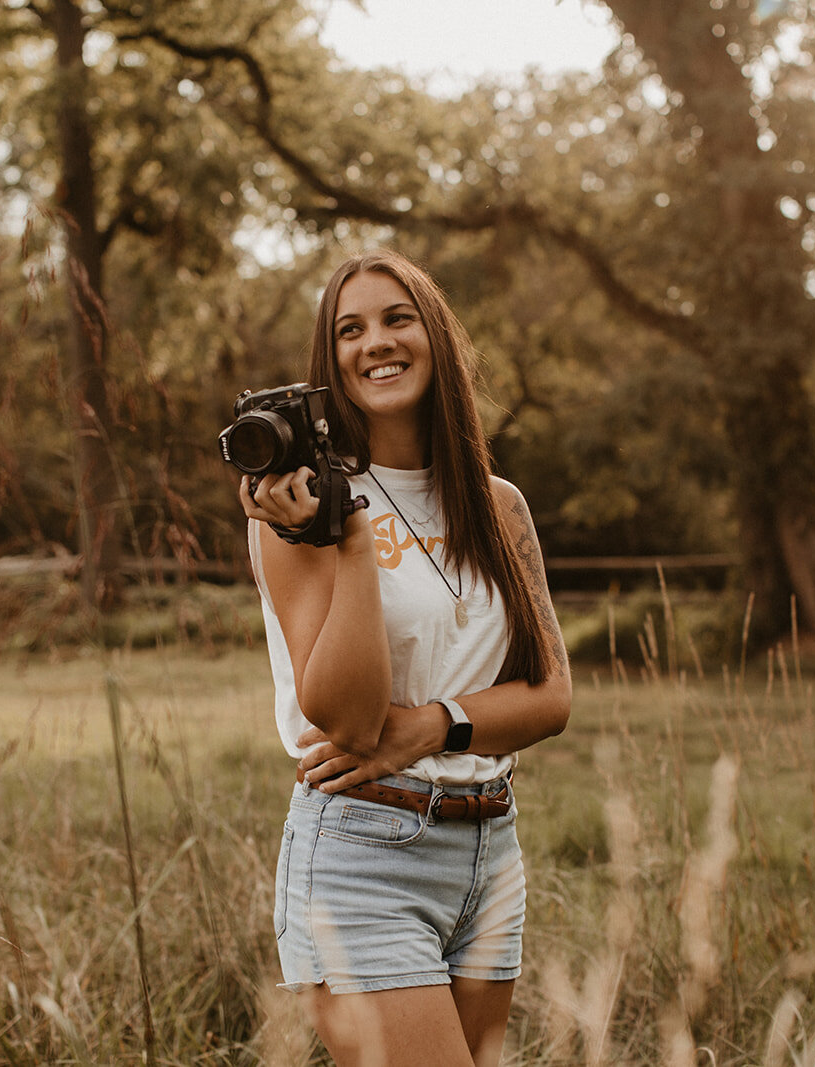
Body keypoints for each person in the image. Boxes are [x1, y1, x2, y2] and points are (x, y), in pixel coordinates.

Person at [237, 249, 572, 1066]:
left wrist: (433, 725)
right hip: (364, 850)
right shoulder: (298, 511)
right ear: (332, 358)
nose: (375, 342)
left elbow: (551, 695)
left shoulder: (499, 505)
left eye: (396, 318)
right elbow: (347, 717)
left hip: (490, 847)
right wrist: (349, 534)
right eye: (349, 329)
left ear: (434, 336)